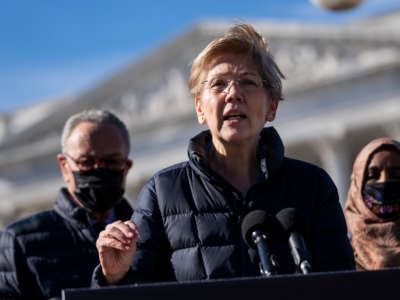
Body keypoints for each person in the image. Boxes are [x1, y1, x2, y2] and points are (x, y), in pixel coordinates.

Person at [93, 23, 354, 287]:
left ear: (271, 107)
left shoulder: (312, 186)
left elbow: (344, 286)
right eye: (218, 84)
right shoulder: (163, 193)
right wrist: (113, 277)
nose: (233, 94)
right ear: (200, 109)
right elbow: (135, 290)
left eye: (248, 82)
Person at [0, 109, 134, 299]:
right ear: (64, 166)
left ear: (126, 167)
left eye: (112, 161)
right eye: (86, 162)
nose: (99, 170)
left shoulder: (150, 233)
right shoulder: (18, 241)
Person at [344, 137, 400, 270]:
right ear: (358, 185)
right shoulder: (341, 256)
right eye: (372, 176)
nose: (384, 182)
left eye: (396, 175)